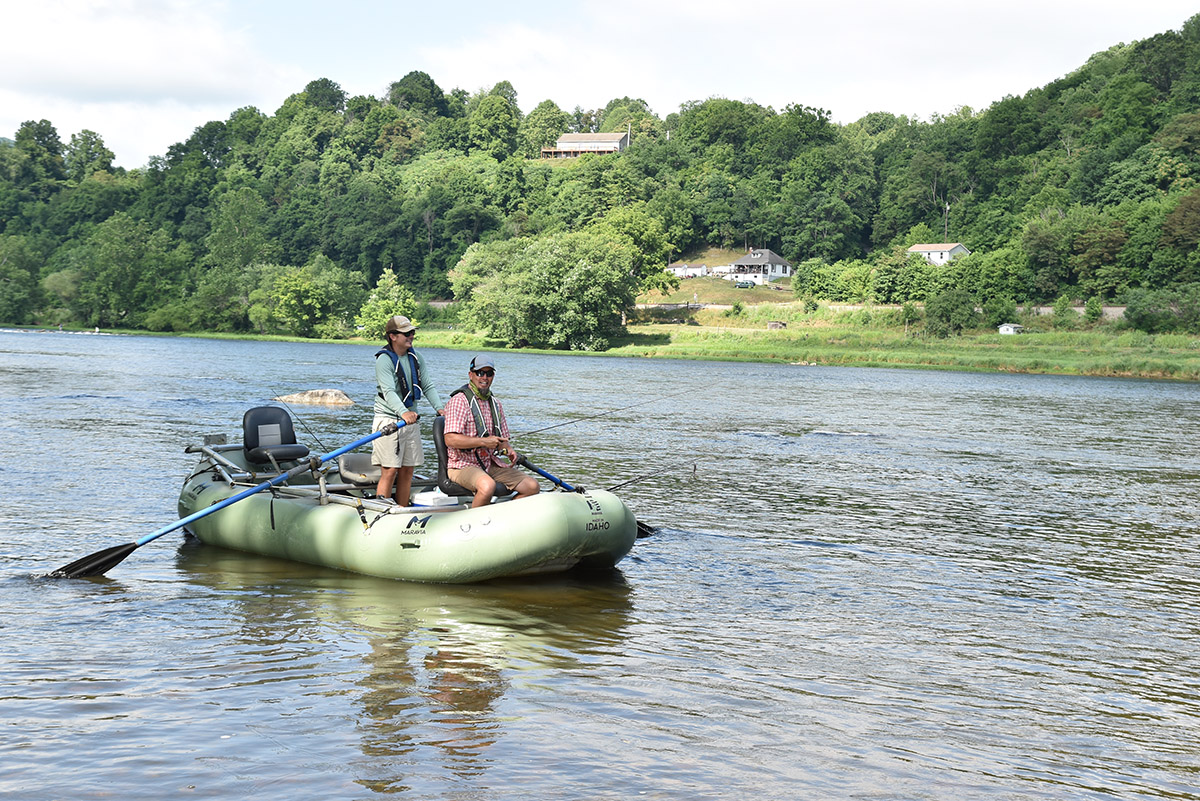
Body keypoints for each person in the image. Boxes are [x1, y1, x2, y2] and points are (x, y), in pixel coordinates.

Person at [442, 354, 540, 507]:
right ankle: (475, 520)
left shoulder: (496, 404)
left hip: (489, 463)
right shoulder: (459, 401)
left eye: (489, 373)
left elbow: (502, 440)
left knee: (532, 486)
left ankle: (501, 516)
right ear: (471, 375)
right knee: (487, 486)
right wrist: (484, 442)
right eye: (480, 373)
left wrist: (508, 449)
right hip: (461, 465)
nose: (485, 377)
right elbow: (450, 439)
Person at [372, 315, 443, 505]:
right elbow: (388, 392)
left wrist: (440, 408)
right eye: (406, 333)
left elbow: (427, 385)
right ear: (393, 336)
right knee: (389, 470)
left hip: (410, 420)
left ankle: (402, 509)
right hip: (389, 420)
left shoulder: (416, 357)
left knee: (407, 470)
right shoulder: (384, 360)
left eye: (412, 332)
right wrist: (403, 413)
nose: (411, 336)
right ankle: (382, 510)